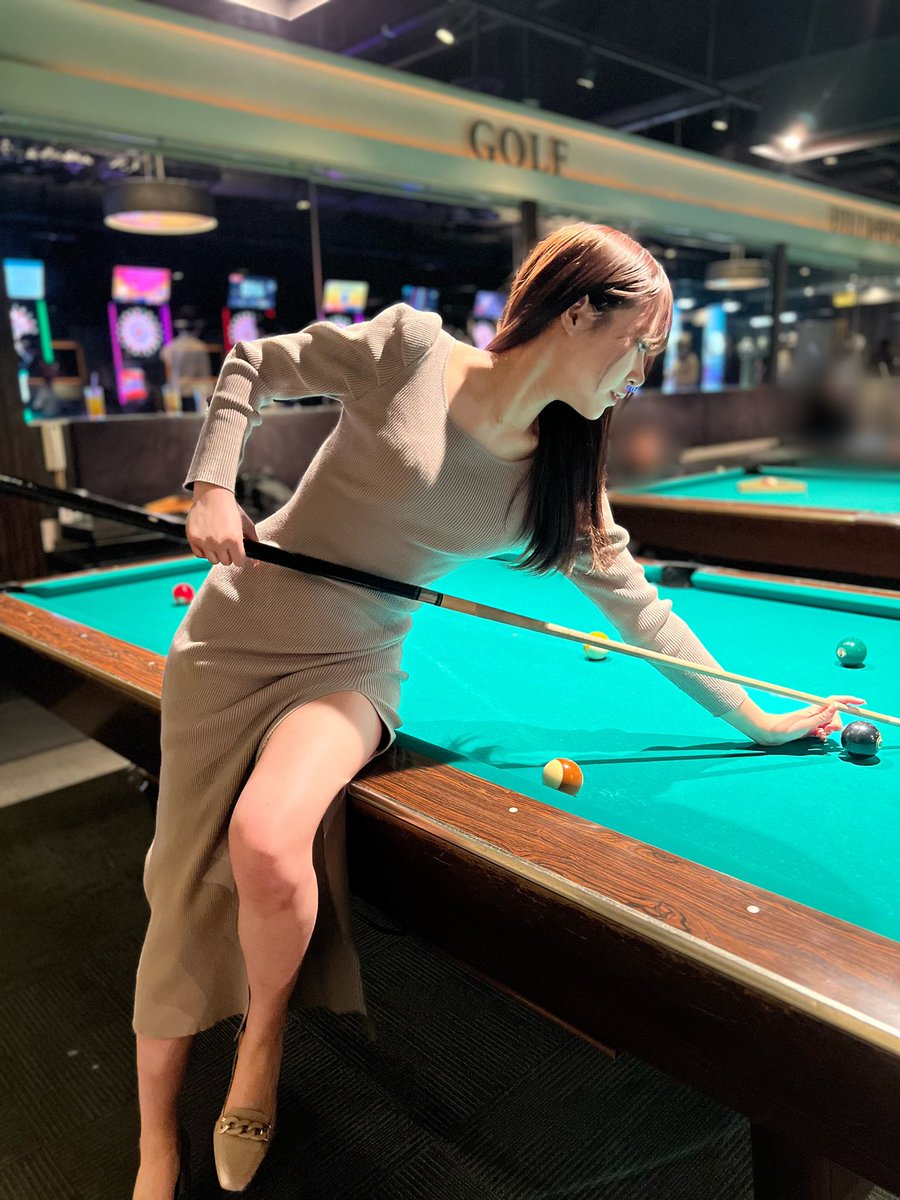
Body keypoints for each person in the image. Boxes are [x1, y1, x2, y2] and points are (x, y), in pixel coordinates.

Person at [131, 223, 863, 1199]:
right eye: (642, 348)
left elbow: (647, 617)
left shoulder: (561, 484)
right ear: (580, 314)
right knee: (177, 884)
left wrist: (761, 721)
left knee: (266, 841)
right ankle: (156, 1144)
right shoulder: (408, 349)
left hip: (348, 668)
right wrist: (214, 486)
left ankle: (260, 1044)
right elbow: (253, 364)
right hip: (229, 638)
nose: (640, 379)